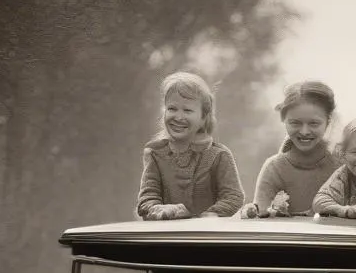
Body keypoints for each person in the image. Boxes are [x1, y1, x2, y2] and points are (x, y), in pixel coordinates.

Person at [136, 71, 245, 221]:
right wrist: (160, 210)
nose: (178, 117)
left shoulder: (218, 155)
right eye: (172, 108)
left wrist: (204, 218)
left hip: (206, 237)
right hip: (164, 237)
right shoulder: (155, 153)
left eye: (187, 110)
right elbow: (147, 198)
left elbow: (234, 197)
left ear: (203, 118)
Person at [239, 80, 341, 219]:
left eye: (314, 123)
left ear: (328, 121)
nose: (304, 131)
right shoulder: (274, 168)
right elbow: (260, 220)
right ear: (284, 120)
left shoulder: (341, 165)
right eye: (295, 123)